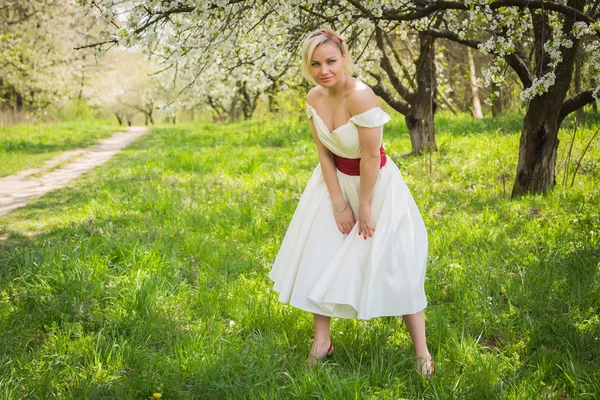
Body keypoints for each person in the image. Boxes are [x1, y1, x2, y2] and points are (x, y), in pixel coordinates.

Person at [268, 28, 433, 376]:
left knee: (397, 264)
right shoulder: (314, 97)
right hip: (334, 183)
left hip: (374, 185)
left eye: (330, 61)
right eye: (315, 64)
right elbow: (324, 153)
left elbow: (371, 157)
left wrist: (364, 206)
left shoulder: (361, 96)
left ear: (344, 58)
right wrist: (338, 202)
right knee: (318, 254)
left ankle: (421, 352)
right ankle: (321, 341)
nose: (324, 70)